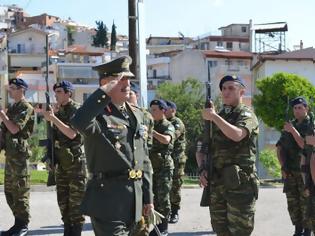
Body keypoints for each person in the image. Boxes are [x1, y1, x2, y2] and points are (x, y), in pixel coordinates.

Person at [71, 56, 154, 236]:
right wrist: (103, 92)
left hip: (136, 201)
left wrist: (148, 198)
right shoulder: (97, 115)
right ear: (105, 83)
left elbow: (143, 159)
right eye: (120, 78)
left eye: (128, 78)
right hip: (107, 200)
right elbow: (78, 122)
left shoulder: (137, 115)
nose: (127, 83)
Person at [200, 75, 259, 236]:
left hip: (239, 185)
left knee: (240, 231)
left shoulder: (246, 115)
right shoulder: (218, 117)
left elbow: (237, 134)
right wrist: (202, 169)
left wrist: (214, 117)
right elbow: (203, 148)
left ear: (241, 92)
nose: (226, 92)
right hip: (217, 184)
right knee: (221, 231)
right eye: (224, 89)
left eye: (231, 88)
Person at [41, 80, 86, 236]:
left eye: (59, 92)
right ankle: (67, 229)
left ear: (69, 93)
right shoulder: (58, 111)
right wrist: (50, 158)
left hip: (75, 163)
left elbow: (72, 134)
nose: (56, 95)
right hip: (61, 162)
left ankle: (76, 232)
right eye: (55, 92)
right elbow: (53, 138)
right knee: (63, 201)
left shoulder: (77, 109)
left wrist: (53, 119)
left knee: (76, 203)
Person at [1, 78, 34, 236]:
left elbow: (14, 129)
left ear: (21, 89)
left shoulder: (26, 107)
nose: (10, 91)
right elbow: (4, 132)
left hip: (20, 157)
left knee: (21, 192)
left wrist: (2, 115)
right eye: (10, 88)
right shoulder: (12, 107)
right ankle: (17, 223)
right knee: (9, 192)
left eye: (13, 88)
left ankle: (23, 225)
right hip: (10, 157)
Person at [277, 96, 312, 236]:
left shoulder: (311, 125)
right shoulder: (290, 125)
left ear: (306, 108)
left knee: (307, 203)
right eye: (295, 108)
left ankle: (308, 231)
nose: (297, 111)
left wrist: (292, 131)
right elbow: (280, 148)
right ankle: (297, 230)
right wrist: (283, 166)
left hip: (306, 172)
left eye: (300, 108)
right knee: (293, 203)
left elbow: (305, 145)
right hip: (290, 171)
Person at [149, 99, 175, 236]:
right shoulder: (151, 124)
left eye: (154, 110)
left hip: (164, 167)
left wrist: (151, 132)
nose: (152, 112)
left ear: (163, 111)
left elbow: (166, 139)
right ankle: (157, 227)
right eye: (151, 109)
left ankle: (164, 227)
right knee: (154, 199)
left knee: (163, 198)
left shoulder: (168, 125)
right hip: (152, 167)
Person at [164, 100, 187, 223]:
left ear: (173, 110)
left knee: (175, 185)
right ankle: (166, 211)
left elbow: (172, 136)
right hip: (166, 159)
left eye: (166, 109)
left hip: (177, 159)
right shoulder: (163, 122)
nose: (164, 111)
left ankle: (175, 212)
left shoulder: (177, 123)